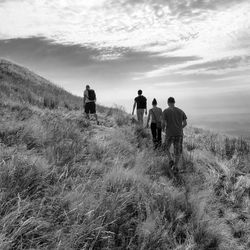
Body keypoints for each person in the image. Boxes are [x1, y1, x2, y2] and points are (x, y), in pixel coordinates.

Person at [162, 97, 187, 171]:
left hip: (169, 133)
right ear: (174, 102)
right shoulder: (181, 111)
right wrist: (180, 128)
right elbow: (185, 123)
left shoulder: (165, 111)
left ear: (168, 103)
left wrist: (163, 129)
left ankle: (170, 160)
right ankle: (175, 167)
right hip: (179, 134)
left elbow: (163, 122)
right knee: (177, 151)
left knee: (166, 148)